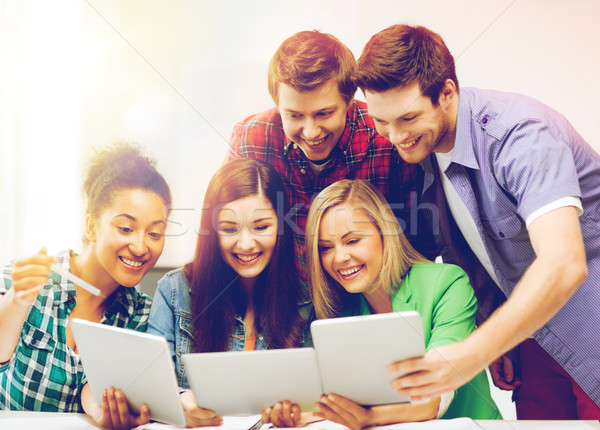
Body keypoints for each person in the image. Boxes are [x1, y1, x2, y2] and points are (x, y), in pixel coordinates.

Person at [354, 24, 600, 419]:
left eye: (407, 118)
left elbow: (564, 262)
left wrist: (473, 351)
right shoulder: (427, 149)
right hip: (538, 340)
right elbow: (489, 249)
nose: (394, 137)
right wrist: (499, 333)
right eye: (380, 122)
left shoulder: (520, 136)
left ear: (447, 93)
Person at [227, 30, 436, 271]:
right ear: (278, 105)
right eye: (294, 115)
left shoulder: (388, 138)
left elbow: (419, 244)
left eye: (324, 113)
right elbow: (227, 231)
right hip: (280, 294)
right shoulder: (249, 139)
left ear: (349, 101)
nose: (311, 131)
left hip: (372, 294)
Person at [298, 179, 499, 428]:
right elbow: (336, 403)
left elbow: (435, 396)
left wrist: (368, 417)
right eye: (326, 248)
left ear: (385, 232)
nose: (339, 258)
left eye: (352, 241)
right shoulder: (341, 312)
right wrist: (298, 414)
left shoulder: (446, 283)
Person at [0, 142, 172, 429]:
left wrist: (100, 409)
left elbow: (97, 388)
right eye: (126, 229)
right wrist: (18, 299)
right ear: (92, 226)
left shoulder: (142, 316)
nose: (141, 247)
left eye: (155, 233)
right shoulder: (24, 280)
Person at [147, 158, 310, 428]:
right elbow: (151, 389)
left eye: (261, 226)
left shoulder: (304, 300)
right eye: (229, 229)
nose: (246, 244)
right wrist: (179, 402)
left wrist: (298, 413)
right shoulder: (174, 291)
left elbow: (317, 402)